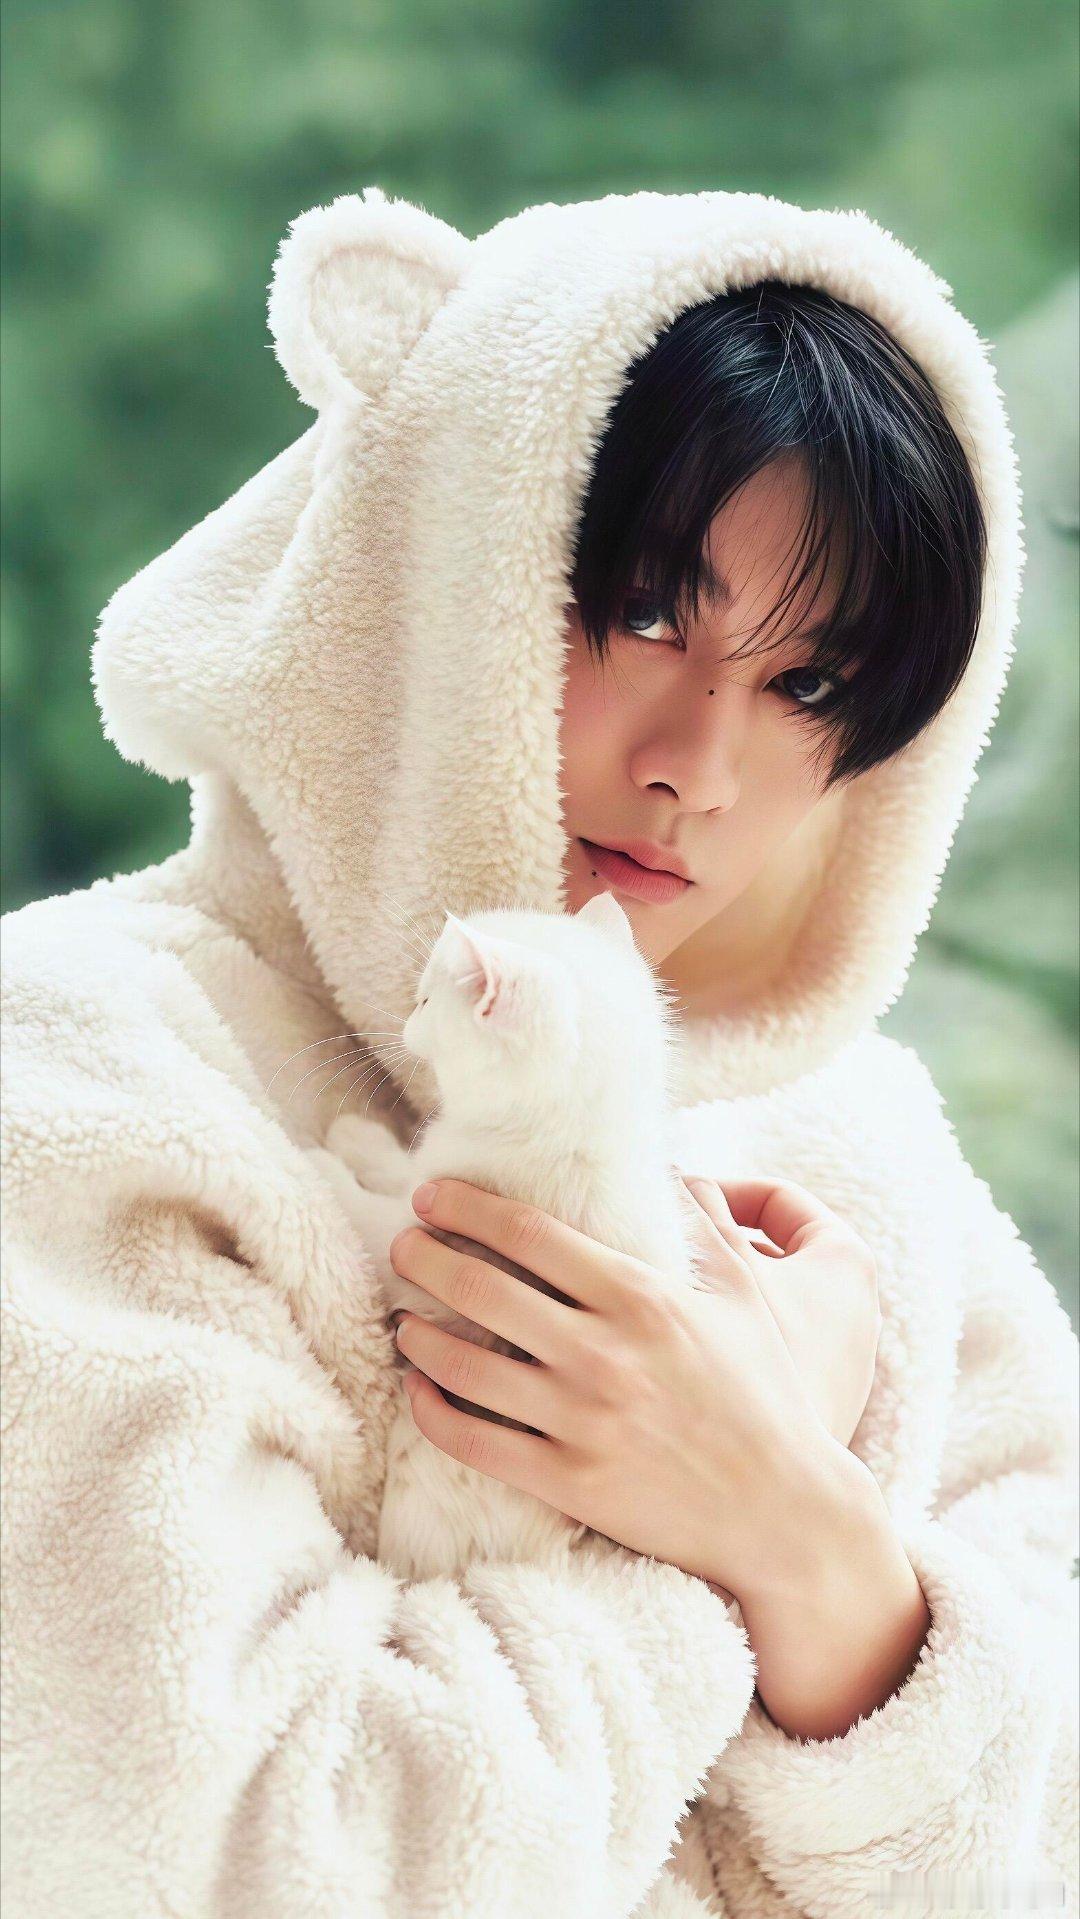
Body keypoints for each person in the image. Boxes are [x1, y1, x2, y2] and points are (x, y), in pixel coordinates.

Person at [1, 184, 1076, 1919]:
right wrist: (708, 1542)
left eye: (811, 685)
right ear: (431, 556)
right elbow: (242, 1864)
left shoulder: (861, 1165)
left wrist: (798, 1526)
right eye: (646, 609)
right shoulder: (80, 1084)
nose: (699, 767)